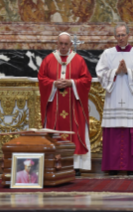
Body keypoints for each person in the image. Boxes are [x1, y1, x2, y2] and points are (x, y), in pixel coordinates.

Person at [96, 23, 133, 175]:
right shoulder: (108, 54)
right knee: (114, 132)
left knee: (131, 131)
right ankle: (112, 167)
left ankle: (132, 167)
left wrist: (128, 72)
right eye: (118, 35)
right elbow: (100, 73)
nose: (120, 38)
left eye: (123, 34)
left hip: (131, 98)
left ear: (128, 35)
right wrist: (115, 71)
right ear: (115, 36)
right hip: (114, 99)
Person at [38, 32, 92, 176]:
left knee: (74, 132)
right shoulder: (49, 60)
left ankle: (75, 166)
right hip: (54, 105)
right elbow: (42, 79)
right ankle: (53, 164)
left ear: (70, 45)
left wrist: (72, 83)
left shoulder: (79, 60)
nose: (63, 46)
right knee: (54, 132)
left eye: (66, 44)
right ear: (57, 44)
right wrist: (53, 83)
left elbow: (86, 80)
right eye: (60, 43)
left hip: (73, 107)